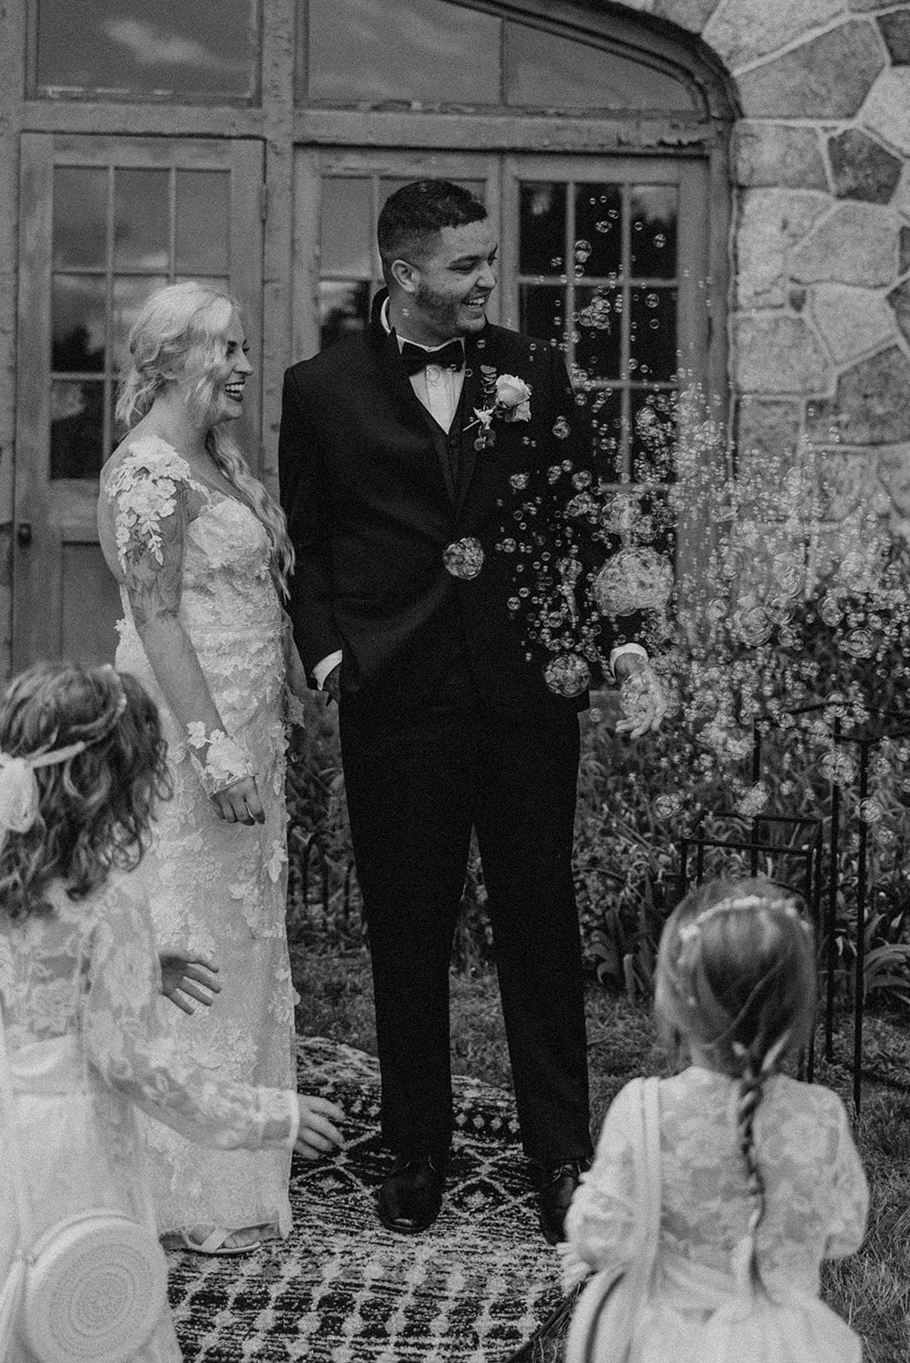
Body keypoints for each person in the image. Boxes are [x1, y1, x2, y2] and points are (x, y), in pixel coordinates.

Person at [278, 179, 665, 1242]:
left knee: (538, 923)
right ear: (404, 274)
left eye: (488, 261)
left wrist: (621, 637)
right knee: (406, 929)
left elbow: (581, 514)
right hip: (393, 699)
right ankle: (415, 1149)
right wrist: (325, 660)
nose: (487, 280)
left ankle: (558, 1156)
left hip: (525, 693)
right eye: (465, 264)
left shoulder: (532, 372)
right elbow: (308, 545)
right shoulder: (318, 388)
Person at [0, 662, 344, 1363]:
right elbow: (132, 1064)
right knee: (70, 1314)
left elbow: (25, 997)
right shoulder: (109, 908)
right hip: (67, 1153)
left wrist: (140, 970)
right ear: (116, 785)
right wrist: (264, 1115)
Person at [98, 281, 301, 1256]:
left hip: (246, 734)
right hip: (188, 744)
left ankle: (237, 1162)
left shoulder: (212, 460)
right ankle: (176, 1180)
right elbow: (156, 613)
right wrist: (213, 745)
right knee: (188, 924)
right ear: (173, 358)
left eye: (245, 348)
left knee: (240, 924)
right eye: (227, 348)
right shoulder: (146, 469)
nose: (245, 366)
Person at [563, 878, 869, 1361]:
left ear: (674, 1002)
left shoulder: (646, 1109)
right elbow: (844, 1231)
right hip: (788, 1343)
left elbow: (597, 1238)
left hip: (669, 1341)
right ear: (796, 1011)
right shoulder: (822, 1115)